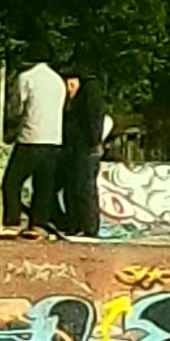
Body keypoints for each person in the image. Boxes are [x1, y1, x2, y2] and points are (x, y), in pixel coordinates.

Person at [1, 54, 66, 237]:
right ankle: (38, 224)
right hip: (53, 139)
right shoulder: (57, 80)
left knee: (12, 182)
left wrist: (12, 125)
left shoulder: (26, 78)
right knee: (43, 185)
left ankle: (12, 222)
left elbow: (17, 107)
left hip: (30, 138)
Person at [59, 68, 109, 240]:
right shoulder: (87, 95)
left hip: (83, 148)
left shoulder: (88, 94)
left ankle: (86, 225)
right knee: (75, 186)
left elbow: (93, 121)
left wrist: (93, 142)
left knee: (82, 186)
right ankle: (79, 223)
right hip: (78, 147)